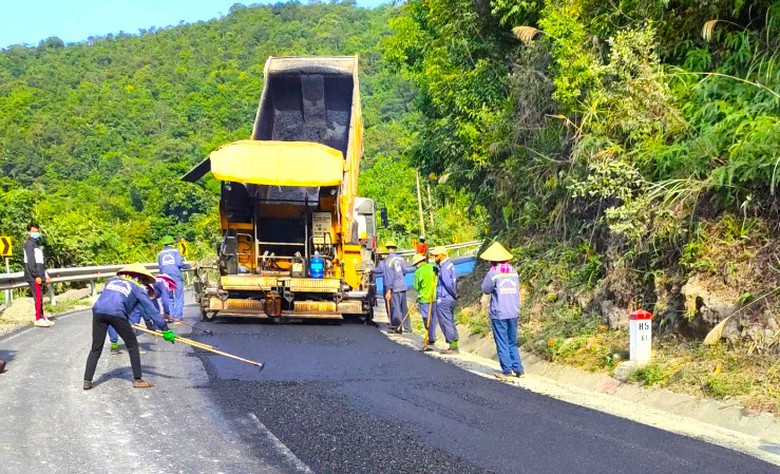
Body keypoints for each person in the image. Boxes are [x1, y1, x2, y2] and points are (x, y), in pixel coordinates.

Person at [83, 263, 176, 390]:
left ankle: (87, 381)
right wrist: (165, 329)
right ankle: (138, 379)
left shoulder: (111, 281)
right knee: (132, 345)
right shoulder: (138, 289)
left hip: (98, 311)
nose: (144, 284)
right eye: (144, 281)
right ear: (139, 278)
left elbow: (112, 298)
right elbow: (152, 311)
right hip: (117, 313)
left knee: (96, 347)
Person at [480, 242, 524, 379]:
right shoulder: (513, 271)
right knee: (512, 341)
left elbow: (485, 289)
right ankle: (518, 369)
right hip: (513, 311)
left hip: (499, 312)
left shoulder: (494, 273)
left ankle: (506, 370)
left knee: (502, 341)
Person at [108, 273, 176, 354]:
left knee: (112, 320)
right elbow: (148, 308)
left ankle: (114, 344)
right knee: (134, 321)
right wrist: (165, 316)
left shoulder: (120, 280)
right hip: (125, 301)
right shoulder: (159, 285)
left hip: (108, 304)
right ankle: (133, 347)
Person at [23, 223, 54, 328]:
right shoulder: (29, 245)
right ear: (29, 232)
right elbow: (31, 263)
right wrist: (36, 275)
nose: (36, 233)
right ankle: (38, 318)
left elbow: (40, 263)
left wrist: (45, 275)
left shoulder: (37, 245)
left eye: (37, 231)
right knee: (38, 296)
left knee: (40, 296)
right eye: (33, 231)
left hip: (39, 275)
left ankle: (42, 316)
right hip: (33, 276)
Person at [431, 246, 459, 354]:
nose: (435, 258)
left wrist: (454, 294)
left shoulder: (444, 268)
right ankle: (453, 345)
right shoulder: (449, 265)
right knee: (450, 321)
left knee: (446, 322)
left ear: (442, 255)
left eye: (436, 256)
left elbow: (448, 284)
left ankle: (453, 347)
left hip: (444, 298)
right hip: (449, 298)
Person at [157, 235, 191, 321]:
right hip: (176, 276)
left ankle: (171, 316)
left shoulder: (160, 254)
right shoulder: (175, 251)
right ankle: (178, 317)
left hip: (165, 278)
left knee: (169, 297)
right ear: (172, 243)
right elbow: (179, 264)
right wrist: (189, 265)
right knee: (178, 297)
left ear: (164, 244)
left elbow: (160, 266)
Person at [383, 240, 410, 333]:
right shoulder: (400, 259)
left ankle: (398, 327)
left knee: (396, 308)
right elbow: (405, 271)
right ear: (395, 249)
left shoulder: (387, 261)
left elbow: (389, 277)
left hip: (395, 288)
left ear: (387, 250)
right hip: (402, 286)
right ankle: (407, 327)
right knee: (404, 307)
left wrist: (388, 290)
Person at [412, 253, 437, 350]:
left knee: (426, 317)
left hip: (423, 298)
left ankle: (428, 335)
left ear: (418, 263)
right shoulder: (432, 267)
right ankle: (432, 337)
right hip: (433, 297)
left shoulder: (418, 272)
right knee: (433, 318)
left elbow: (416, 286)